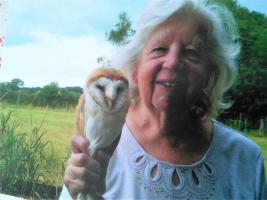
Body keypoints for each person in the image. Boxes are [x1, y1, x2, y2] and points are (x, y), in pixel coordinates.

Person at [60, 0, 267, 199]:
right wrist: (79, 192)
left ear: (210, 76)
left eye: (191, 52)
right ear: (135, 70)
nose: (173, 62)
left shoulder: (245, 159)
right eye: (159, 49)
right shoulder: (101, 141)